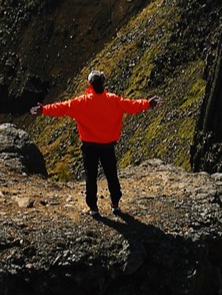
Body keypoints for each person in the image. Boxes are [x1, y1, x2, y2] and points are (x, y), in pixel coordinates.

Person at [29, 70, 160, 214]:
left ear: (90, 85)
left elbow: (62, 108)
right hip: (107, 146)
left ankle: (93, 207)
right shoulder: (113, 100)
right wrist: (148, 103)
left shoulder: (81, 102)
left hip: (89, 146)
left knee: (91, 176)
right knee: (111, 174)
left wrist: (43, 110)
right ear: (103, 84)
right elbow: (132, 105)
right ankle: (115, 204)